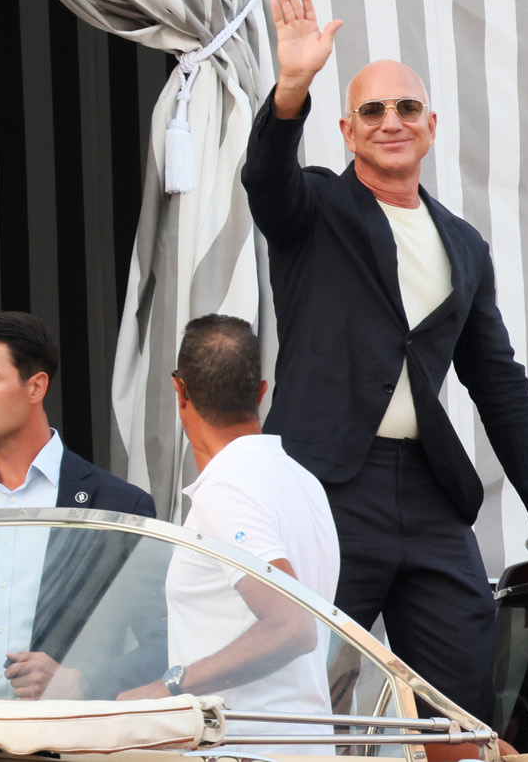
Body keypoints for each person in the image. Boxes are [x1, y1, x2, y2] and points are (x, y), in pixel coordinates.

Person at [241, 0, 528, 721]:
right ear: (347, 131)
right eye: (372, 110)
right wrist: (291, 88)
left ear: (431, 126)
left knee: (462, 701)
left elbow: (496, 380)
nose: (391, 121)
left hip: (429, 491)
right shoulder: (316, 208)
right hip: (329, 482)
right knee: (307, 695)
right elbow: (265, 180)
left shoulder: (463, 244)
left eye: (407, 108)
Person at [0, 312, 158, 699]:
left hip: (64, 732)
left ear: (36, 387)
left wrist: (83, 681)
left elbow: (166, 645)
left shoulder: (120, 506)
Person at [118, 314, 337, 747]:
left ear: (179, 390)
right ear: (261, 392)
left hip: (247, 744)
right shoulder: (304, 482)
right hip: (302, 742)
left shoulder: (226, 490)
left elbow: (293, 626)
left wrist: (168, 687)